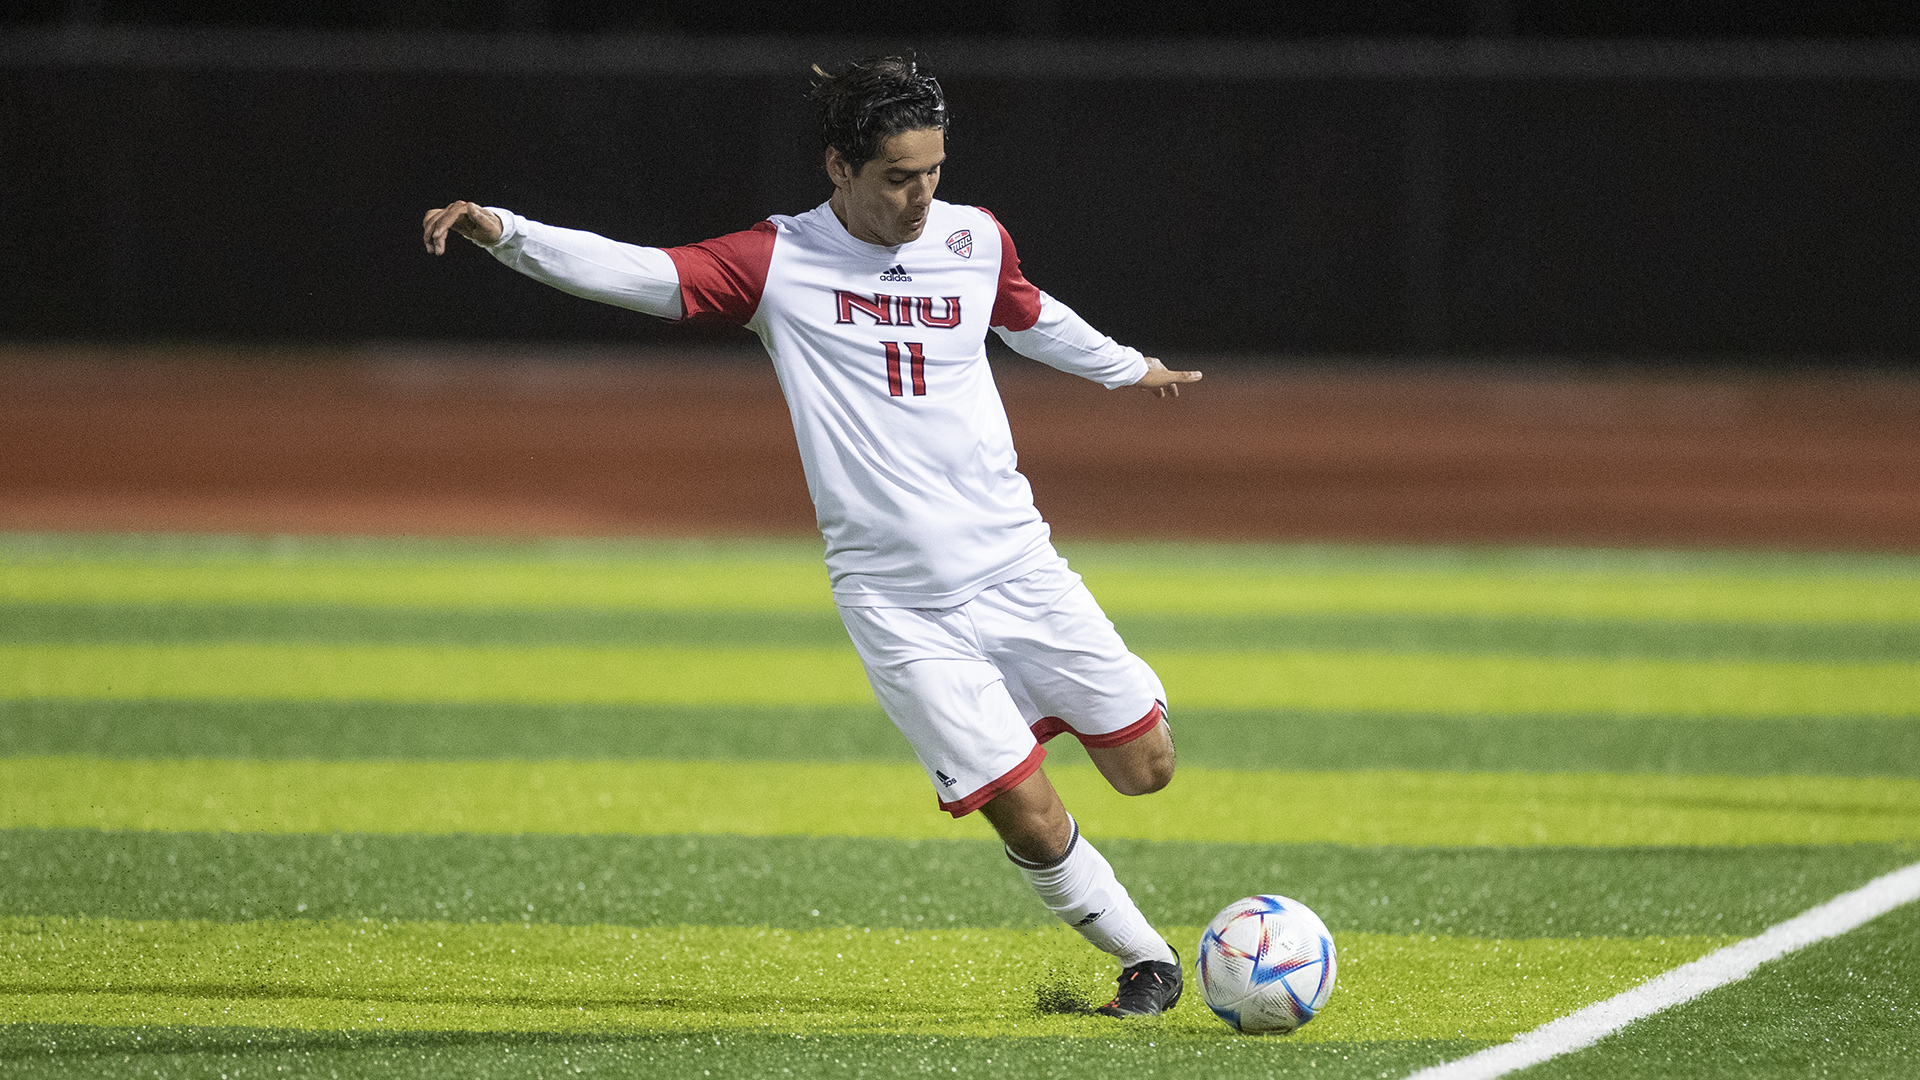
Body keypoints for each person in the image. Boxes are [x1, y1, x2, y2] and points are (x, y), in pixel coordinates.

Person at [422, 55, 1201, 1018]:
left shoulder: (974, 239)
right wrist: (510, 233)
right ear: (839, 166)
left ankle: (1081, 730)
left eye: (934, 172)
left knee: (1147, 768)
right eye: (897, 176)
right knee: (1028, 812)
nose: (921, 196)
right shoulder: (777, 262)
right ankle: (1146, 962)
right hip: (897, 603)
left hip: (1018, 565)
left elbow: (1029, 315)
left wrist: (1131, 370)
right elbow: (643, 274)